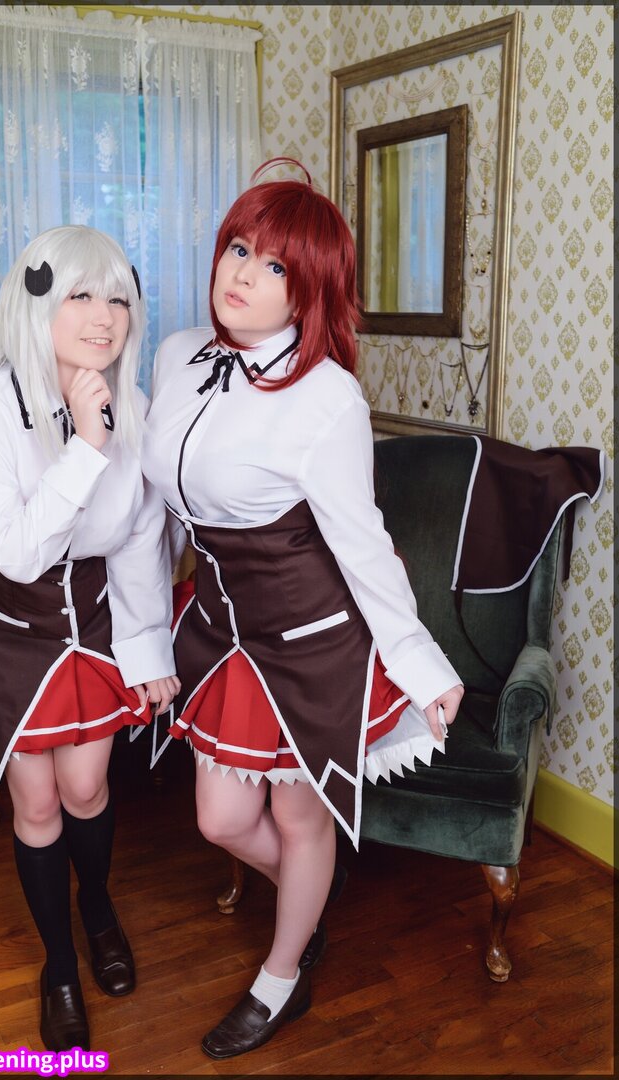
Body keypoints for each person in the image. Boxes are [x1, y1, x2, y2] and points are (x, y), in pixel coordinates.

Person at [142, 158, 464, 1059]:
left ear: (309, 287)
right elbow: (153, 514)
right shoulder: (179, 357)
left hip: (313, 637)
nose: (242, 273)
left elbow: (362, 544)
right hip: (224, 630)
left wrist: (420, 666)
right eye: (238, 249)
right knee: (219, 818)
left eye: (275, 264)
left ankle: (280, 977)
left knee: (297, 815)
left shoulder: (326, 397)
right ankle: (308, 896)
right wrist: (142, 630)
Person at [0, 225, 180, 1052]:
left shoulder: (135, 408)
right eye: (80, 295)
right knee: (35, 803)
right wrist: (87, 446)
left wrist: (148, 648)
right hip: (3, 623)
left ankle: (97, 910)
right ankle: (58, 965)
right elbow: (20, 552)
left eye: (119, 299)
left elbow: (139, 540)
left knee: (88, 787)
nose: (104, 317)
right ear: (35, 305)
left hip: (91, 619)